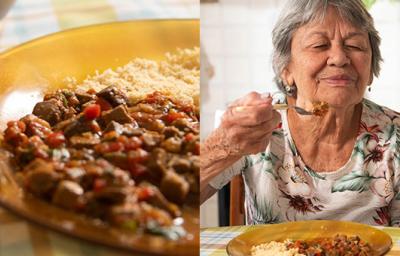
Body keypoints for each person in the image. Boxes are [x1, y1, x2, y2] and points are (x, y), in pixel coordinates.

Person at [200, 0, 400, 227]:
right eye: (319, 45)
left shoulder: (395, 133)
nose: (339, 58)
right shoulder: (258, 123)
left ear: (371, 68)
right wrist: (223, 146)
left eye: (354, 46)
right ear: (286, 69)